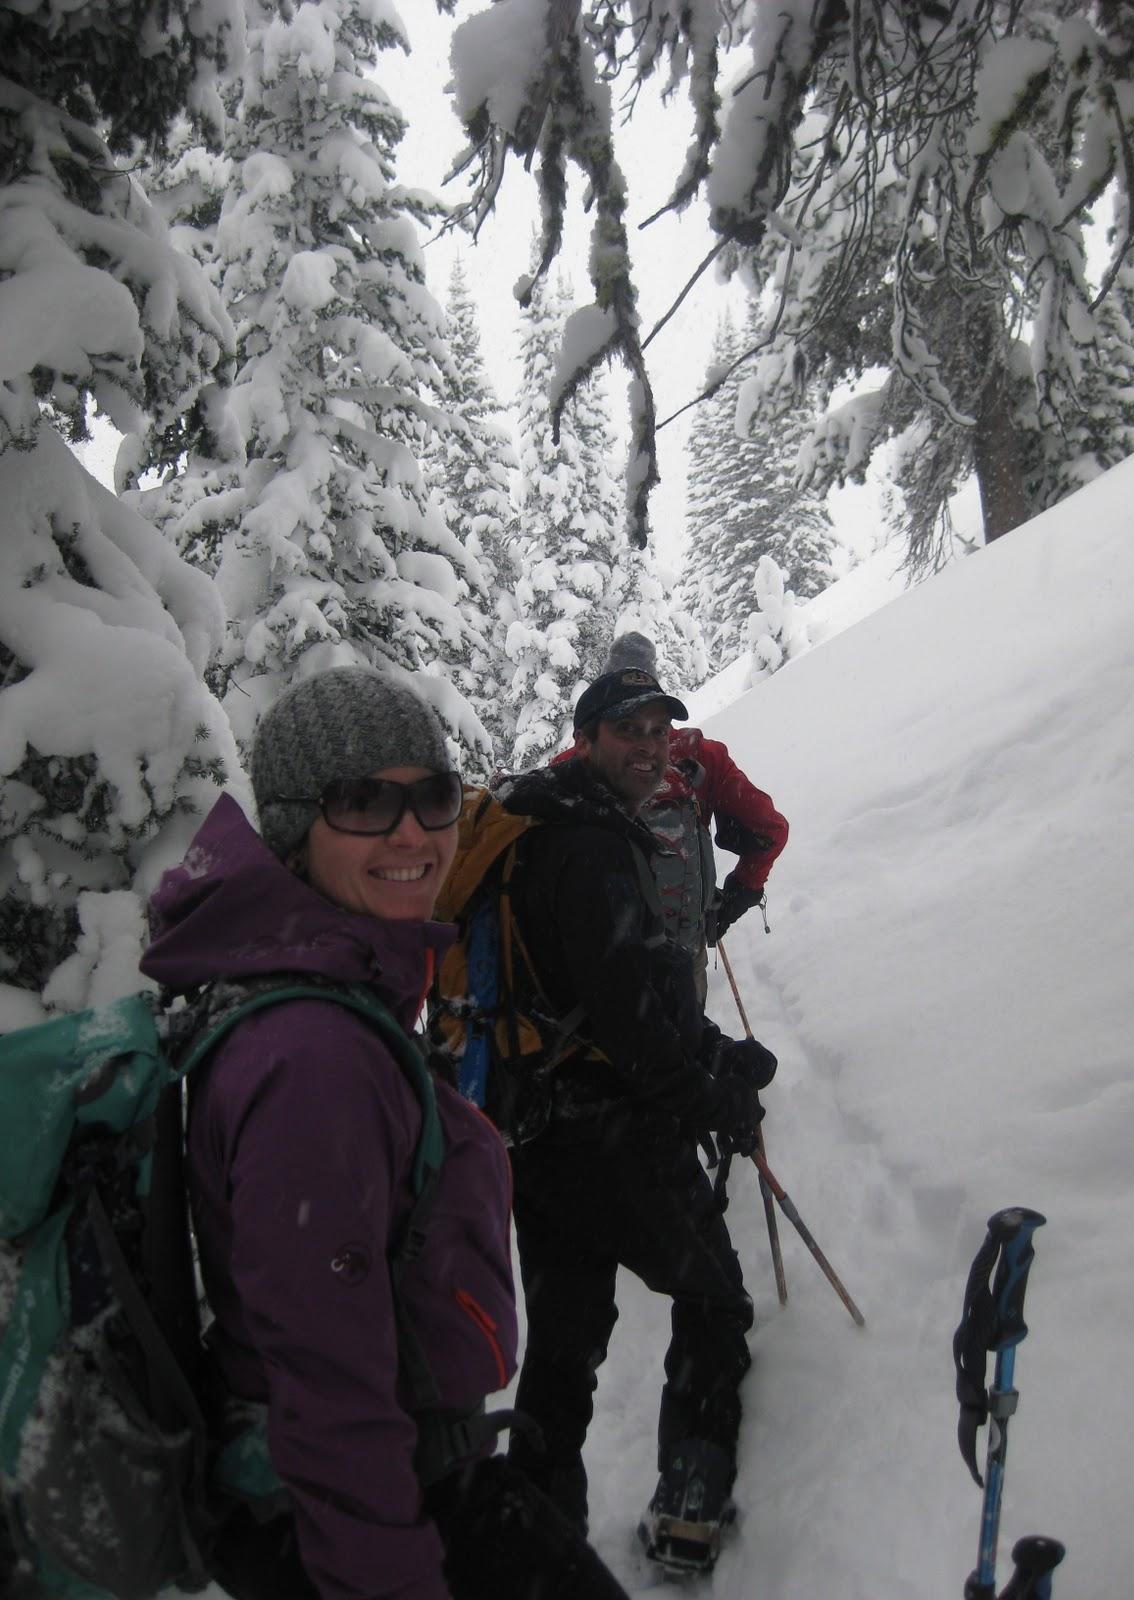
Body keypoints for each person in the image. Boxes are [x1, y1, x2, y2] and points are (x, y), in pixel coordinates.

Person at [139, 666, 629, 1600]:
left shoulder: (329, 993)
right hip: (383, 1517)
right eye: (364, 802)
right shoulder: (313, 1056)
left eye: (433, 796)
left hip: (400, 1488)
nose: (412, 833)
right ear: (294, 828)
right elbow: (326, 1391)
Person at [496, 664, 777, 1573]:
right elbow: (635, 1031)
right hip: (612, 1133)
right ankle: (689, 1502)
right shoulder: (588, 849)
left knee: (566, 1341)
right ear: (587, 740)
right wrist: (719, 1095)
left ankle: (538, 1538)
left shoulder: (548, 827)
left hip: (536, 1131)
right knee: (712, 1299)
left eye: (660, 730)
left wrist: (715, 1048)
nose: (650, 746)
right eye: (629, 732)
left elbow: (626, 986)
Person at [565, 632, 788, 1002]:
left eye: (655, 729)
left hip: (597, 978)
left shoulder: (573, 767)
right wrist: (738, 893)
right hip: (682, 963)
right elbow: (770, 831)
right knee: (686, 1046)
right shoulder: (700, 757)